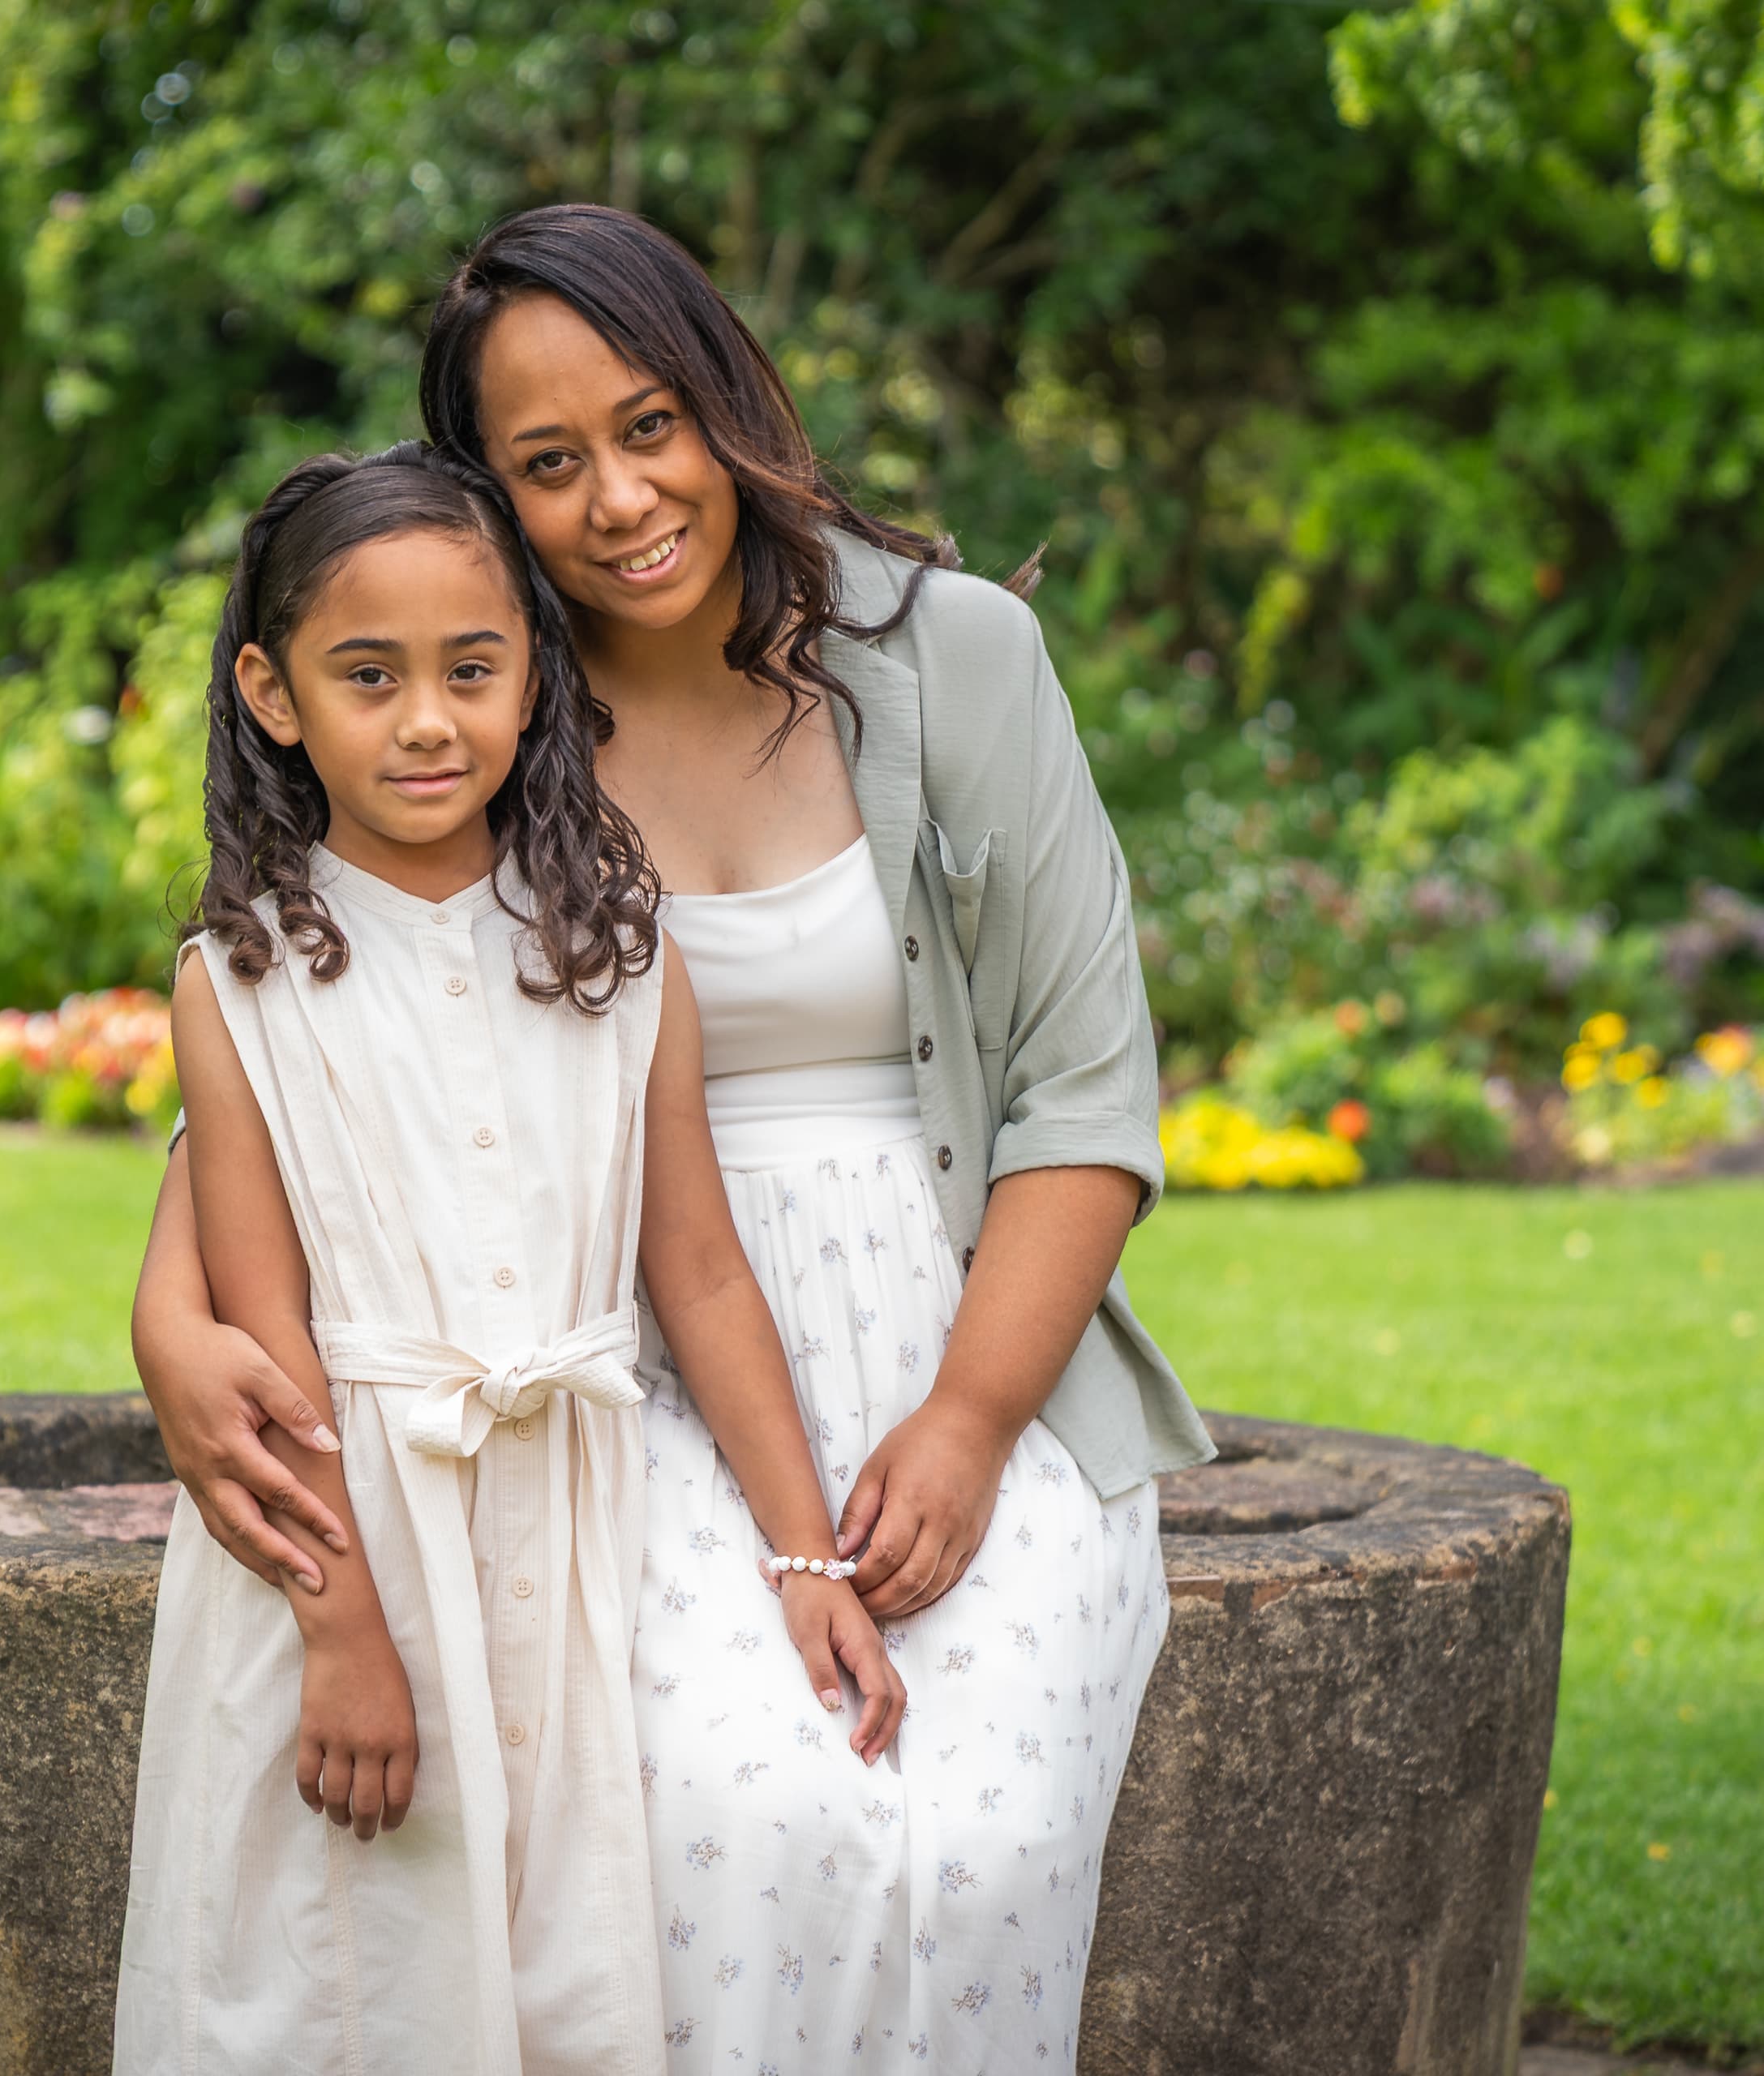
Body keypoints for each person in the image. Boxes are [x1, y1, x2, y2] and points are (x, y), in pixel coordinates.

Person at [135, 204, 1213, 2067]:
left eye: (651, 423)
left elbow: (1085, 1091)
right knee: (747, 1817)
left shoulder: (953, 658)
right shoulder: (487, 708)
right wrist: (173, 1323)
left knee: (984, 1836)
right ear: (486, 494)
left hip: (970, 1342)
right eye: (548, 464)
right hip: (632, 1376)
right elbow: (313, 1046)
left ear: (729, 399)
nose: (622, 495)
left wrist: (965, 1422)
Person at [115, 440, 905, 2076]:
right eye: (368, 674)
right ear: (272, 692)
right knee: (337, 1977)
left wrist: (804, 1555)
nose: (427, 719)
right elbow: (272, 1345)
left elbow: (697, 1271)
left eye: (472, 668)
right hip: (346, 1567)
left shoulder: (619, 953)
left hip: (563, 1548)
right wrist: (343, 1633)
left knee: (556, 1982)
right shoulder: (241, 982)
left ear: (533, 669)